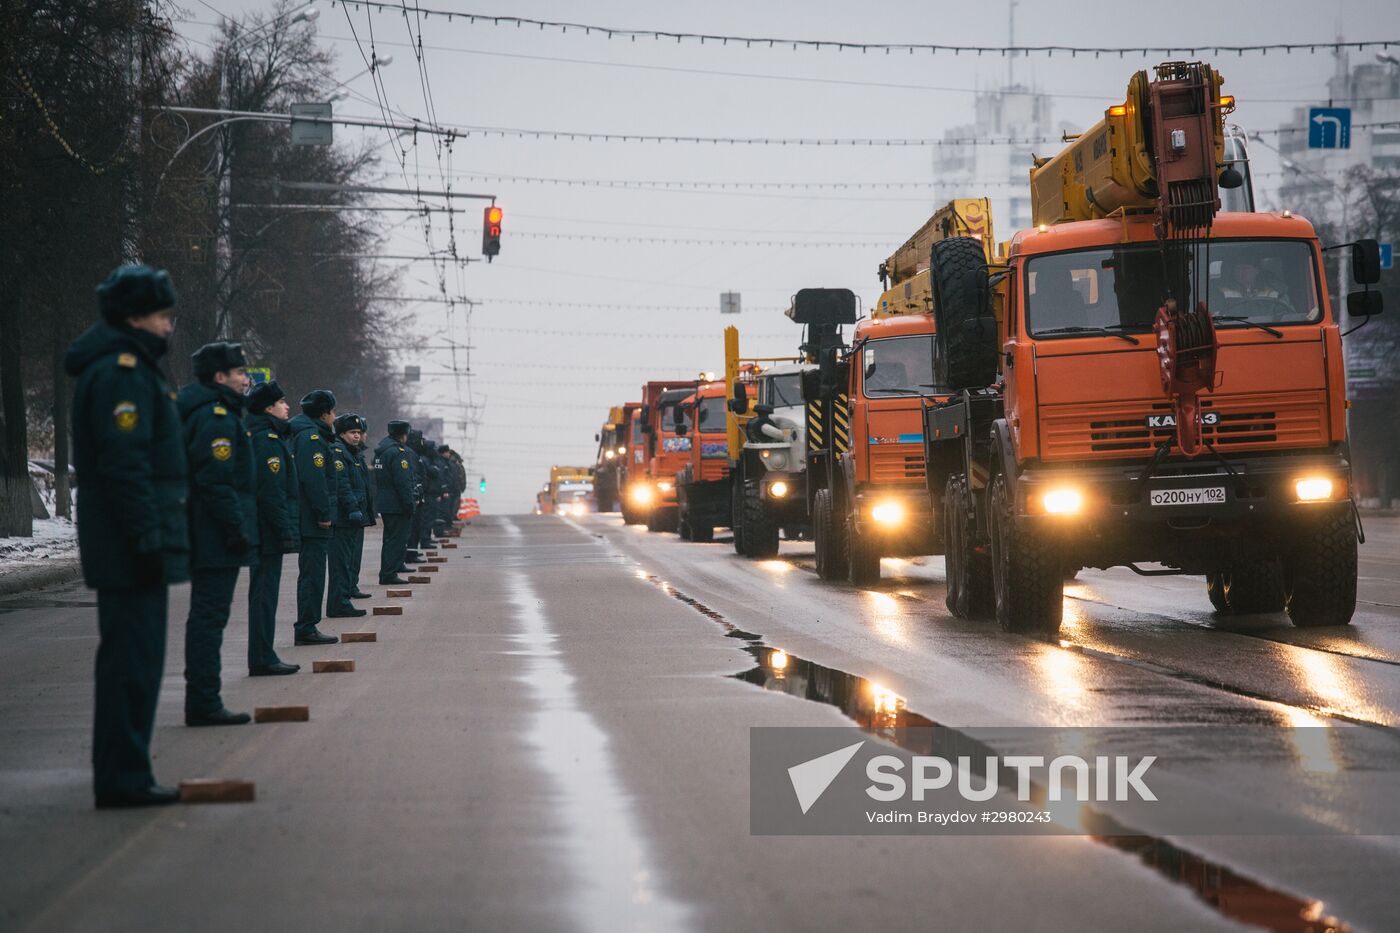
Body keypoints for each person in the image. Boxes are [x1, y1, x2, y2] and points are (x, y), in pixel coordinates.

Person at [66, 264, 188, 808]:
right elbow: (125, 465)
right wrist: (146, 537)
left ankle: (127, 770)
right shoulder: (122, 373)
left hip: (130, 539)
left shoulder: (132, 367)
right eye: (163, 316)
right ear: (136, 317)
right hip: (128, 542)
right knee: (130, 663)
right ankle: (121, 777)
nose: (169, 327)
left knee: (137, 660)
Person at [178, 341, 259, 726]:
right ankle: (204, 701)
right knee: (210, 616)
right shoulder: (216, 417)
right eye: (241, 373)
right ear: (220, 377)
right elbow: (215, 481)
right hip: (214, 533)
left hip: (208, 529)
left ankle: (203, 697)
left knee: (207, 616)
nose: (247, 380)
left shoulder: (212, 412)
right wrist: (235, 529)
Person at [245, 380, 301, 676]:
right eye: (282, 402)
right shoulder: (266, 439)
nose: (287, 407)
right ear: (269, 408)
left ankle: (263, 654)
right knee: (265, 594)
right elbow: (271, 492)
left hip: (263, 527)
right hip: (266, 530)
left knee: (264, 593)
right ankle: (262, 657)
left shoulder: (265, 434)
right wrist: (283, 530)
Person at [290, 390, 340, 646]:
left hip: (307, 515)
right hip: (312, 518)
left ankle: (307, 625)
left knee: (311, 572)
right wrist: (323, 513)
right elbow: (314, 480)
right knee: (313, 573)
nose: (335, 417)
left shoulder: (306, 433)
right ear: (324, 414)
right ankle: (306, 627)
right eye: (333, 412)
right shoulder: (311, 438)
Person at [327, 413, 369, 618]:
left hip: (353, 515)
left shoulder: (352, 453)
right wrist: (353, 507)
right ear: (342, 434)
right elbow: (342, 485)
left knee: (348, 561)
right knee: (340, 563)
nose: (357, 436)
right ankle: (339, 603)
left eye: (359, 433)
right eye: (352, 432)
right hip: (343, 517)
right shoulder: (338, 452)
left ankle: (343, 599)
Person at [374, 420, 416, 585]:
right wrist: (409, 503)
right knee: (397, 540)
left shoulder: (382, 451)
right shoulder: (398, 453)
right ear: (403, 435)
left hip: (385, 501)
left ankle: (388, 571)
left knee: (390, 539)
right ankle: (389, 574)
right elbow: (403, 481)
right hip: (397, 503)